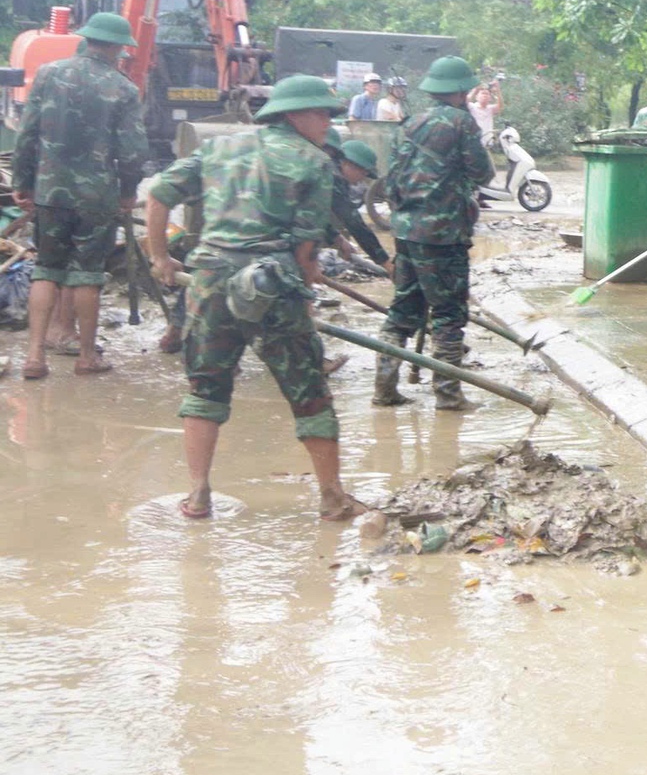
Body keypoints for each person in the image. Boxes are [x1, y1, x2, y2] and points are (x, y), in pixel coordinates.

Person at [144, 74, 364, 521]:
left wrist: (160, 258)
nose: (327, 122)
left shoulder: (219, 147)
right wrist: (308, 278)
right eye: (321, 112)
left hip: (209, 282)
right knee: (310, 394)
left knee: (206, 389)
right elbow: (305, 247)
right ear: (294, 114)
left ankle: (198, 495)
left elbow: (158, 194)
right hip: (272, 284)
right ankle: (332, 497)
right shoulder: (314, 161)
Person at [12, 12, 147, 379]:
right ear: (119, 47)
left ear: (86, 39)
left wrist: (22, 182)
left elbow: (28, 134)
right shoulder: (124, 89)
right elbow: (133, 151)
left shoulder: (48, 74)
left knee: (47, 269)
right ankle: (87, 357)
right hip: (96, 197)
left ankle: (35, 357)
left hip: (50, 191)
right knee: (87, 275)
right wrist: (128, 192)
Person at [376, 56, 494, 409]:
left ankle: (384, 388)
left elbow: (391, 179)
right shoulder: (462, 122)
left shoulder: (409, 123)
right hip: (443, 234)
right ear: (460, 90)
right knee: (448, 312)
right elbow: (481, 173)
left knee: (403, 309)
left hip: (406, 231)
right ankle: (447, 394)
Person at [319, 138, 392, 271]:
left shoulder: (331, 171)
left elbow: (315, 215)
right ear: (347, 163)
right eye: (363, 172)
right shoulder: (332, 177)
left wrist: (337, 238)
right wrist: (386, 263)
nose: (363, 177)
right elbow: (355, 224)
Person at [467, 81, 503, 145]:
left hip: (487, 142)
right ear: (476, 97)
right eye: (482, 93)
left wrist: (498, 90)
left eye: (487, 94)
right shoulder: (472, 106)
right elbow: (465, 101)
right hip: (473, 141)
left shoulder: (491, 109)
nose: (485, 95)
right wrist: (475, 89)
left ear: (490, 98)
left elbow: (500, 106)